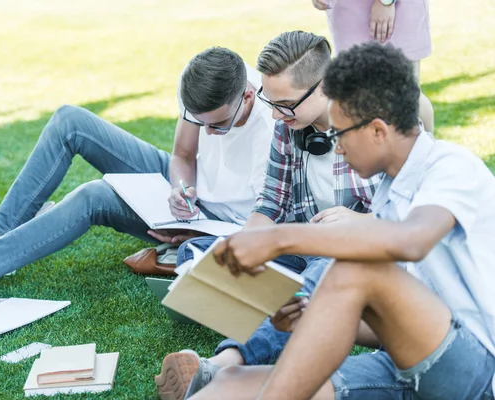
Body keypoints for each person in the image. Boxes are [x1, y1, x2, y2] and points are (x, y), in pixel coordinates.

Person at [190, 42, 495, 400]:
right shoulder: (388, 194)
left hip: (478, 369)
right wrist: (313, 315)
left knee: (356, 268)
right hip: (405, 365)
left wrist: (278, 239)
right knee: (231, 385)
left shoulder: (451, 167)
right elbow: (393, 325)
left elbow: (411, 242)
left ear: (378, 131)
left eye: (339, 134)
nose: (335, 147)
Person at [0, 47, 276, 300]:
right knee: (70, 120)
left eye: (218, 125)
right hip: (187, 196)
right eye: (199, 121)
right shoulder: (207, 82)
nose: (208, 131)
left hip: (215, 224)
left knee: (93, 195)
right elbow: (182, 154)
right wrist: (182, 187)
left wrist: (191, 229)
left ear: (246, 96)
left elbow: (262, 228)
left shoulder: (271, 130)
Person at [155, 31, 382, 400]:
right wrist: (244, 246)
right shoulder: (286, 125)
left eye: (286, 105)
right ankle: (265, 316)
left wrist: (362, 222)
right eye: (270, 101)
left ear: (324, 86)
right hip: (302, 244)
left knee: (320, 276)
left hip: (357, 255)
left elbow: (417, 212)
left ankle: (225, 364)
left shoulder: (375, 123)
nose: (275, 114)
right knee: (199, 255)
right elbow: (271, 204)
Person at [311, 0, 434, 134]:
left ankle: (424, 149)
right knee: (355, 94)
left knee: (405, 93)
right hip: (346, 10)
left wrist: (386, 2)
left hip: (395, 10)